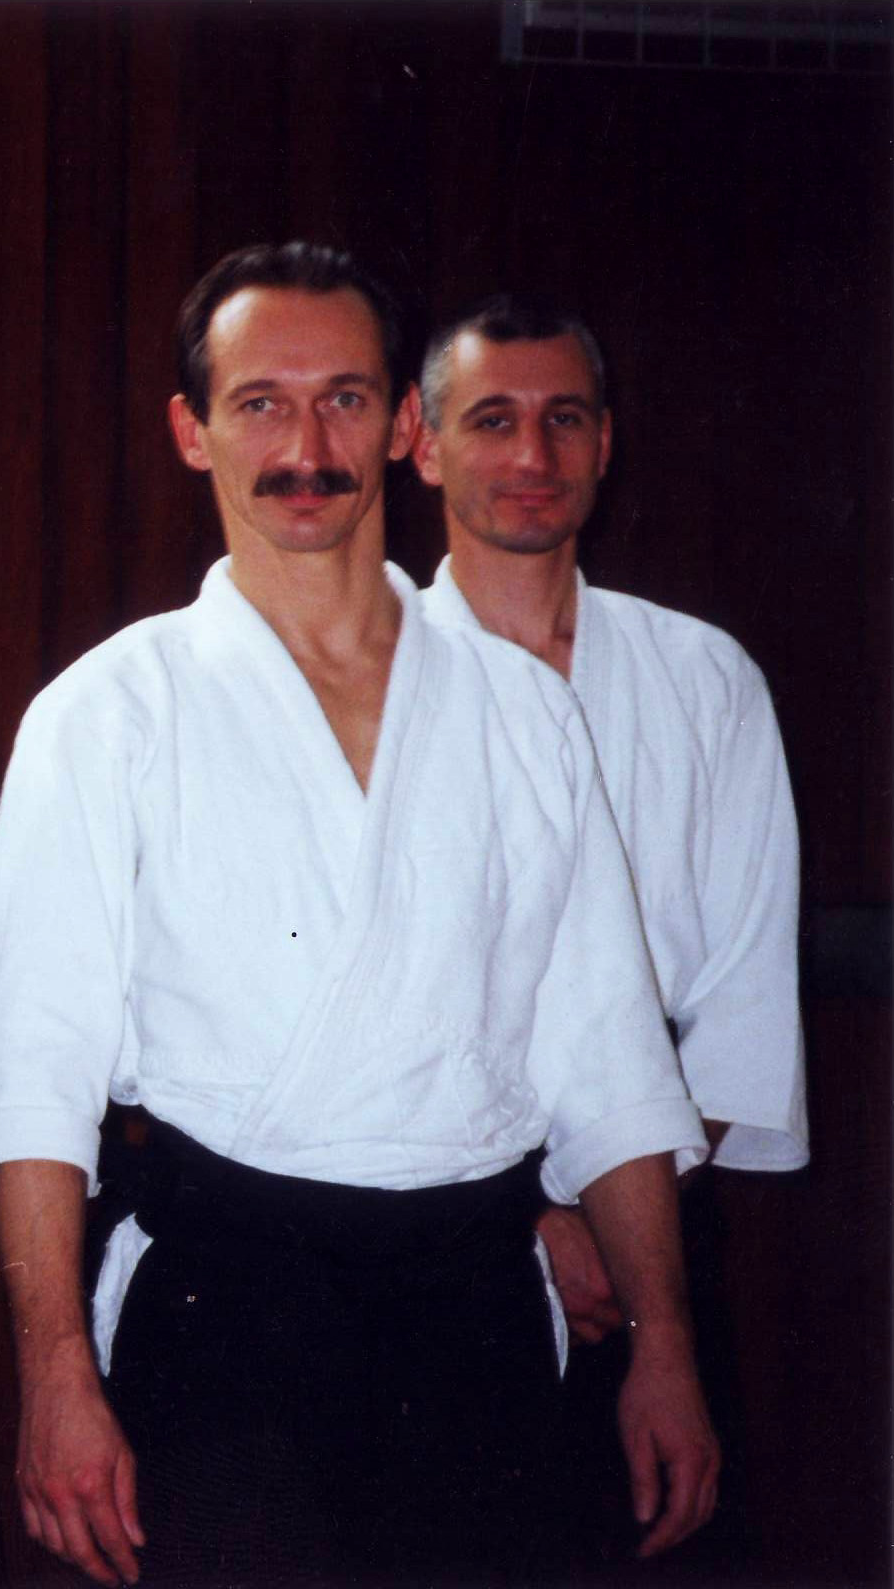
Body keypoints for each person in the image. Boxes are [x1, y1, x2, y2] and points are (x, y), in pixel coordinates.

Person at [0, 242, 720, 1585]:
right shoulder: (110, 709)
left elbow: (609, 1055)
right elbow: (35, 1072)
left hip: (475, 1304)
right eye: (260, 402)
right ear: (191, 430)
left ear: (405, 424)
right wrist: (55, 1374)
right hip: (226, 1303)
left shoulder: (521, 712)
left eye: (346, 400)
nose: (305, 447)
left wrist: (665, 1344)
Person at [413, 293, 805, 1564]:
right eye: (491, 420)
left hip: (665, 1224)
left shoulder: (702, 676)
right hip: (432, 1223)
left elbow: (739, 996)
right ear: (421, 444)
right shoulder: (371, 681)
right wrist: (528, 1215)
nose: (531, 455)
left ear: (604, 440)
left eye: (563, 419)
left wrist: (626, 1219)